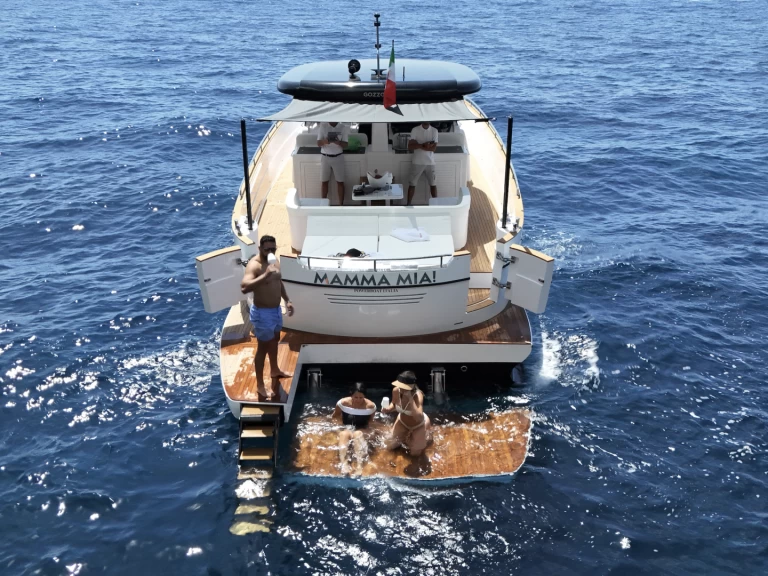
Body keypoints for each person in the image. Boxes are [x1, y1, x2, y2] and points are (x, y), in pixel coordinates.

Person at [240, 235, 295, 400]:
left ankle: (275, 370)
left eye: (273, 248)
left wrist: (287, 300)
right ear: (259, 249)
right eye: (267, 249)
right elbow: (244, 287)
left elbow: (279, 281)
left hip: (276, 310)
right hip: (263, 314)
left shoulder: (274, 260)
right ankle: (260, 385)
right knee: (262, 348)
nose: (270, 251)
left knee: (275, 340)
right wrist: (265, 275)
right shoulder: (254, 265)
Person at [381, 371, 432, 456]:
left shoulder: (418, 395)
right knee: (390, 445)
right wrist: (388, 409)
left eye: (403, 387)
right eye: (400, 385)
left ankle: (421, 435)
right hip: (402, 421)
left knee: (415, 453)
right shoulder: (396, 390)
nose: (401, 388)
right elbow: (394, 404)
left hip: (418, 424)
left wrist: (409, 398)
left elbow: (418, 416)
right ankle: (407, 436)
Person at [332, 382, 377, 475]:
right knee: (344, 434)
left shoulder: (370, 406)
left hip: (362, 429)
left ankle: (359, 466)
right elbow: (335, 417)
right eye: (355, 397)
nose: (358, 400)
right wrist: (338, 430)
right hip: (347, 427)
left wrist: (370, 433)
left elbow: (371, 422)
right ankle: (344, 464)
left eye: (361, 398)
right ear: (351, 395)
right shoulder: (343, 403)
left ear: (364, 396)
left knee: (357, 434)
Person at [317, 122, 350, 205]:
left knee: (340, 182)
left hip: (338, 157)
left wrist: (338, 142)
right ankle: (323, 205)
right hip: (325, 157)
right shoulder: (323, 126)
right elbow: (318, 143)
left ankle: (340, 206)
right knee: (324, 182)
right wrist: (326, 141)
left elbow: (346, 144)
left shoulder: (343, 127)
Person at [407, 122, 438, 205]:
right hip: (417, 162)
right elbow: (410, 146)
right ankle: (408, 205)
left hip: (430, 162)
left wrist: (418, 146)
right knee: (412, 184)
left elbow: (434, 149)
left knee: (433, 184)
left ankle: (436, 205)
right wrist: (422, 145)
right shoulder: (415, 130)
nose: (426, 121)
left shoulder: (434, 131)